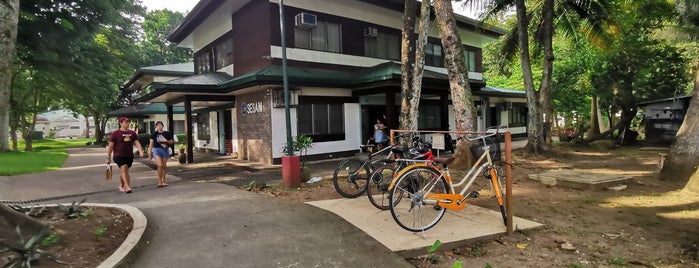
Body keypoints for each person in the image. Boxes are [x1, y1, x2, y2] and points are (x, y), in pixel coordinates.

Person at [106, 117, 145, 194]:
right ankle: (127, 187)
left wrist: (140, 151)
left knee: (125, 171)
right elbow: (110, 146)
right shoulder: (115, 133)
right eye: (125, 122)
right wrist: (108, 157)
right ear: (121, 123)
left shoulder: (132, 133)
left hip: (129, 155)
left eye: (128, 122)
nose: (127, 123)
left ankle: (121, 185)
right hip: (119, 155)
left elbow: (137, 142)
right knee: (124, 168)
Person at [148, 121, 174, 188]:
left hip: (165, 150)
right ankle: (159, 181)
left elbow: (172, 142)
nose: (159, 126)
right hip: (156, 150)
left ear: (163, 126)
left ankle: (164, 181)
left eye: (160, 125)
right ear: (156, 127)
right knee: (160, 165)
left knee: (164, 166)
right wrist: (150, 154)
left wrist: (166, 141)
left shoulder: (167, 133)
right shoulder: (154, 134)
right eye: (158, 125)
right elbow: (151, 145)